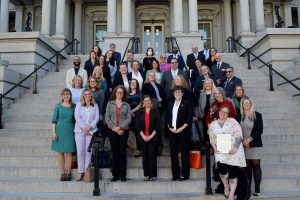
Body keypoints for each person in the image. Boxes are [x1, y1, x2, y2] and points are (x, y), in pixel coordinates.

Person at [208, 106, 246, 200]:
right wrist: (214, 148)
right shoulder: (213, 124)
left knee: (233, 172)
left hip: (233, 150)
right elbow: (211, 138)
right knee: (221, 168)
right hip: (220, 150)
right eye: (222, 111)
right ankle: (225, 186)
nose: (223, 113)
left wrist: (235, 148)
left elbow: (239, 135)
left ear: (228, 114)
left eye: (226, 112)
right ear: (219, 112)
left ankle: (232, 194)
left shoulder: (232, 121)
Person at [105, 86, 131, 182]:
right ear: (115, 93)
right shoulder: (110, 104)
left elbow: (129, 119)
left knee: (122, 152)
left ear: (123, 94)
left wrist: (120, 127)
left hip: (124, 131)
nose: (119, 94)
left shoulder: (126, 105)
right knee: (115, 153)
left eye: (121, 92)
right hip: (112, 131)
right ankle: (115, 175)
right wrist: (115, 128)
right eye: (118, 92)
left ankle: (123, 175)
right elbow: (107, 118)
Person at [166, 86, 193, 181]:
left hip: (184, 131)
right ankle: (175, 174)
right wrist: (170, 127)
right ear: (173, 94)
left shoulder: (187, 103)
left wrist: (181, 128)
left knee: (184, 153)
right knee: (173, 153)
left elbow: (189, 117)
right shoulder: (170, 104)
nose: (177, 94)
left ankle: (184, 174)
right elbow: (167, 117)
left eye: (179, 92)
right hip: (172, 131)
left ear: (182, 94)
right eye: (176, 92)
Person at [239, 97, 263, 197]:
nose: (246, 104)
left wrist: (249, 140)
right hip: (242, 144)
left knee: (256, 166)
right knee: (247, 167)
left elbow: (259, 130)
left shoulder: (257, 115)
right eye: (245, 103)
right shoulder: (238, 115)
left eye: (248, 103)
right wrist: (243, 141)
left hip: (254, 144)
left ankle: (257, 188)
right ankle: (248, 188)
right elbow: (236, 129)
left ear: (251, 104)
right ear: (242, 104)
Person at [74, 89, 99, 181]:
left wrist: (89, 127)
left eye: (89, 94)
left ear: (91, 96)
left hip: (91, 131)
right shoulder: (79, 105)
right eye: (86, 94)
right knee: (80, 152)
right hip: (80, 131)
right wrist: (84, 127)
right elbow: (77, 117)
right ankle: (80, 172)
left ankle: (86, 171)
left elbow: (96, 118)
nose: (87, 95)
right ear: (83, 96)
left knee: (88, 151)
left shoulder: (95, 105)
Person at [51, 88, 76, 181]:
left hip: (70, 130)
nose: (66, 96)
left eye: (68, 94)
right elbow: (54, 120)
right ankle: (62, 173)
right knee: (60, 152)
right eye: (64, 94)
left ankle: (68, 173)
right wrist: (53, 132)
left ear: (70, 96)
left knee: (69, 153)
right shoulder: (58, 106)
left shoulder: (74, 106)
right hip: (59, 130)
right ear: (62, 96)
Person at [136, 95, 160, 181]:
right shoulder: (139, 112)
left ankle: (153, 175)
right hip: (143, 138)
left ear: (151, 102)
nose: (147, 102)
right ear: (143, 102)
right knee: (145, 156)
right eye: (145, 101)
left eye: (148, 101)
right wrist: (143, 136)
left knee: (152, 156)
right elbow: (137, 126)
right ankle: (146, 174)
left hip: (153, 138)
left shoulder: (155, 111)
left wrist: (151, 136)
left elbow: (158, 125)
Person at [127, 79, 142, 157]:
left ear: (137, 85)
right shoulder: (126, 94)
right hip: (129, 116)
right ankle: (134, 149)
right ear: (129, 85)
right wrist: (129, 112)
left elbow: (141, 104)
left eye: (134, 83)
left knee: (138, 132)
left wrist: (132, 111)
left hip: (138, 114)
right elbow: (125, 104)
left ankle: (139, 150)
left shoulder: (140, 94)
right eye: (131, 83)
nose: (133, 84)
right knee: (131, 132)